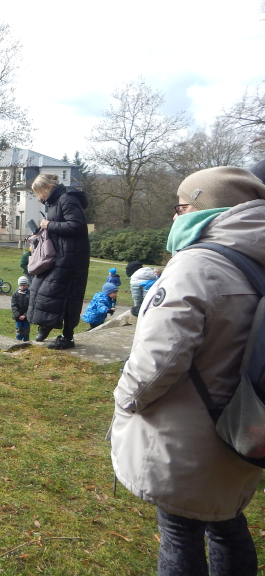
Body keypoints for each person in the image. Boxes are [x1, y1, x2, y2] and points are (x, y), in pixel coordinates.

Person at [110, 166, 265, 576]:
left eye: (180, 207)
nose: (175, 216)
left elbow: (160, 358)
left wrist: (125, 400)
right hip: (245, 426)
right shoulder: (257, 260)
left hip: (187, 436)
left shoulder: (197, 265)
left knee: (180, 532)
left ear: (206, 209)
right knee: (227, 524)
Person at [27, 174, 90, 350]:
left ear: (48, 187)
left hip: (71, 258)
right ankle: (45, 325)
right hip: (58, 255)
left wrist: (49, 225)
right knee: (42, 289)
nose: (39, 197)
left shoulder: (67, 199)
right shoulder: (55, 202)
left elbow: (76, 226)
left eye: (39, 192)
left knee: (68, 295)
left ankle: (67, 336)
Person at [11, 276, 31, 341]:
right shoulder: (15, 294)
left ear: (27, 285)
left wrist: (25, 315)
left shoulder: (30, 294)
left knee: (26, 331)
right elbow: (14, 305)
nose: (22, 287)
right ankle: (18, 342)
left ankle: (26, 342)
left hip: (26, 317)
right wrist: (18, 315)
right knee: (19, 331)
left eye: (24, 285)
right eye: (21, 285)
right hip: (18, 317)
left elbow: (31, 306)